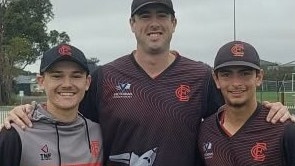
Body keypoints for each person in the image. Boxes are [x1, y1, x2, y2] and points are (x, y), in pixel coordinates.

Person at [1, 1, 292, 166]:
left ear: (174, 22)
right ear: (131, 23)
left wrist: (272, 110)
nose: (154, 23)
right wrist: (28, 112)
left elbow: (235, 112)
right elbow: (66, 117)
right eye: (144, 16)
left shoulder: (201, 76)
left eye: (161, 15)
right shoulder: (106, 76)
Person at [0, 44, 103, 166]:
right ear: (41, 81)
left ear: (87, 82)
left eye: (76, 76)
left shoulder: (99, 132)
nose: (67, 84)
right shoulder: (16, 134)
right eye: (57, 76)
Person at [197, 41, 295, 165]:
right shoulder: (205, 130)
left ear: (259, 77)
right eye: (226, 74)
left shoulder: (284, 129)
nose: (236, 83)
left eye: (245, 74)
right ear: (216, 79)